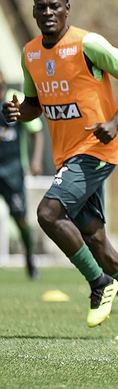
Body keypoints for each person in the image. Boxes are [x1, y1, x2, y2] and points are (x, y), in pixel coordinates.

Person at [1, 0, 118, 341]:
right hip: (67, 156)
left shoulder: (88, 44)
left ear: (67, 8)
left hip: (95, 150)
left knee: (47, 213)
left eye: (55, 5)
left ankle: (99, 283)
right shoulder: (30, 54)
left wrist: (116, 121)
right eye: (41, 7)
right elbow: (34, 105)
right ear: (34, 10)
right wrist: (17, 112)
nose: (48, 12)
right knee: (95, 239)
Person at [0, 68, 44, 279]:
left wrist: (35, 160)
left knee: (20, 219)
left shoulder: (13, 101)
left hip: (12, 171)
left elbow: (36, 131)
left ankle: (30, 258)